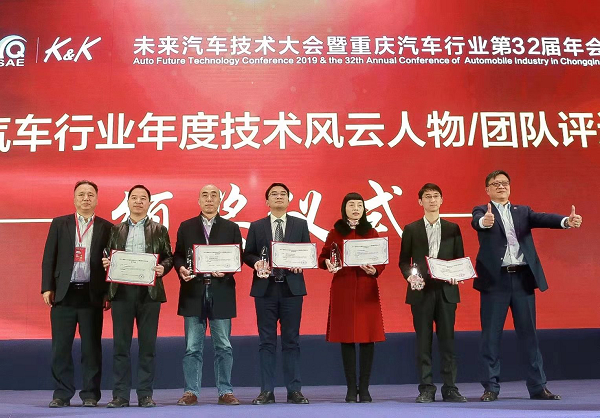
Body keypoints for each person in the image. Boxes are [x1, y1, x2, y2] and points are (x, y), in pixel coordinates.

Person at [472, 170, 582, 402]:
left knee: (529, 335)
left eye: (504, 183)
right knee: (490, 338)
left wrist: (566, 221)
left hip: (522, 280)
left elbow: (543, 218)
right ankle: (491, 388)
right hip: (495, 282)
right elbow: (477, 222)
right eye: (495, 184)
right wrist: (484, 221)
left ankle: (538, 387)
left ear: (510, 187)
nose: (501, 186)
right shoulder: (482, 210)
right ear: (487, 189)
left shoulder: (522, 211)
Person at [41, 180, 112, 408]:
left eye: (90, 194)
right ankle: (61, 394)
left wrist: (108, 292)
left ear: (97, 199)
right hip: (64, 294)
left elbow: (112, 264)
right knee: (61, 348)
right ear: (74, 199)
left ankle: (90, 394)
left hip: (92, 294)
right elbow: (49, 257)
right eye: (81, 194)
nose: (86, 198)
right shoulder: (59, 224)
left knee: (92, 349)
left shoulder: (107, 227)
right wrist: (47, 287)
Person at [102, 184, 173, 408]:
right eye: (134, 197)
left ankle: (145, 395)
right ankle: (120, 395)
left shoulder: (159, 229)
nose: (138, 201)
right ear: (128, 202)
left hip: (149, 293)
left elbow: (169, 257)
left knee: (147, 346)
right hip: (121, 291)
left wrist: (163, 267)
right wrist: (107, 262)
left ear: (149, 203)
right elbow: (107, 254)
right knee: (120, 346)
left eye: (143, 198)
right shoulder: (115, 230)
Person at [173, 184, 242, 406]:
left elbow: (237, 257)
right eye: (205, 195)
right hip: (193, 292)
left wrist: (227, 270)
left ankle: (225, 391)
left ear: (220, 200)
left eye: (214, 195)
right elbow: (178, 255)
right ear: (199, 200)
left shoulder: (231, 227)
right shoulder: (186, 226)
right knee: (192, 347)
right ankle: (190, 391)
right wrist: (181, 268)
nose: (209, 199)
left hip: (221, 291)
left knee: (224, 346)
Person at [242, 183, 311, 405]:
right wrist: (256, 262)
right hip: (266, 289)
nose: (278, 197)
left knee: (292, 341)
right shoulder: (257, 226)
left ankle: (294, 391)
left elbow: (306, 252)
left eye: (283, 194)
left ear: (289, 200)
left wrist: (301, 262)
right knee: (266, 342)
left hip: (292, 289)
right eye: (274, 194)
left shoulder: (300, 224)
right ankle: (267, 391)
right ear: (267, 201)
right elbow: (248, 254)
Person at [399, 183, 467, 403]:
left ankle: (450, 388)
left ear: (442, 200)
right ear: (420, 201)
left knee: (448, 341)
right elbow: (403, 261)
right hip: (421, 292)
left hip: (446, 291)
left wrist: (457, 274)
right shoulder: (411, 229)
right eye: (427, 196)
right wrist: (410, 277)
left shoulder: (452, 228)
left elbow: (459, 259)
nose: (432, 200)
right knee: (423, 341)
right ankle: (426, 388)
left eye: (436, 196)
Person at [318, 192, 385, 403]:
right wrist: (327, 263)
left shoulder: (372, 231)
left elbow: (381, 259)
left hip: (366, 287)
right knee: (346, 338)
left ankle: (364, 388)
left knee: (368, 337)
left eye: (359, 205)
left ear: (364, 209)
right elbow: (323, 256)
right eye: (351, 205)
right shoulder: (335, 232)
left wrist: (375, 269)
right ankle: (350, 389)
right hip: (343, 288)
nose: (356, 209)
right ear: (344, 209)